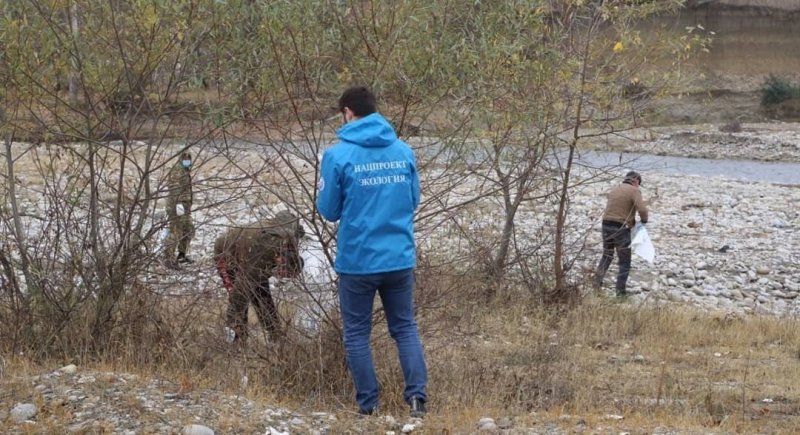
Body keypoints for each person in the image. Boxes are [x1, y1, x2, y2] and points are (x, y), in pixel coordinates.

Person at [316, 86, 428, 418]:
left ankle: (369, 406)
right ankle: (417, 400)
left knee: (356, 334)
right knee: (405, 327)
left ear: (347, 112)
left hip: (358, 261)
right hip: (399, 258)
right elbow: (413, 200)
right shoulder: (404, 151)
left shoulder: (337, 156)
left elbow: (329, 210)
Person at [213, 211, 305, 343]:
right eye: (281, 273)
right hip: (226, 251)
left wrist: (300, 230)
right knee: (241, 295)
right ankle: (237, 339)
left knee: (263, 297)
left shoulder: (292, 238)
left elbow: (286, 215)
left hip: (250, 250)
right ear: (279, 259)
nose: (278, 275)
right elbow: (238, 296)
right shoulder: (263, 254)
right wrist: (231, 322)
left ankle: (276, 336)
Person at [594, 171, 649, 297]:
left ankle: (596, 283)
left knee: (607, 255)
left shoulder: (615, 189)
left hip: (606, 224)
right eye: (638, 184)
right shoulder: (634, 191)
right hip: (621, 227)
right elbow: (642, 209)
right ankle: (620, 292)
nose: (638, 186)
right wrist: (644, 220)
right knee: (624, 261)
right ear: (635, 180)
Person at [164, 151, 195, 267]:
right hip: (177, 205)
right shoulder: (177, 170)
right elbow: (174, 188)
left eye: (189, 158)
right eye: (184, 157)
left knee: (188, 229)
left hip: (185, 206)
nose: (187, 160)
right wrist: (178, 205)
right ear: (180, 158)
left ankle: (182, 254)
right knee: (176, 230)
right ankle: (169, 258)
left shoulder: (185, 171)